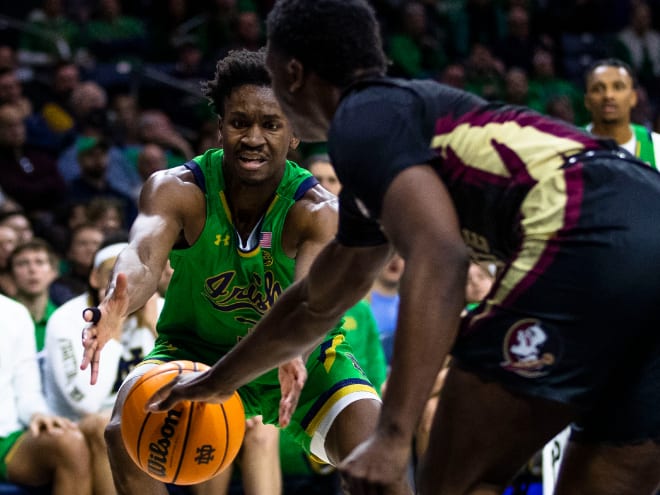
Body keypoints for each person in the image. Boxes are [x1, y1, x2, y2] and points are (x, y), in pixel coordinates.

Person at [140, 1, 660, 494]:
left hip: (589, 231)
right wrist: (217, 382)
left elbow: (440, 256)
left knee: (452, 481)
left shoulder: (364, 118)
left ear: (292, 74)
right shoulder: (403, 129)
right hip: (642, 213)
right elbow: (314, 302)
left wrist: (392, 433)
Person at [81, 48, 405, 495]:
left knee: (379, 465)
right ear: (220, 127)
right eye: (240, 123)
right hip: (193, 353)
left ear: (294, 134)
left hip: (294, 359)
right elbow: (142, 256)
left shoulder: (317, 211)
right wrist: (117, 304)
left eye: (270, 124)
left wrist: (296, 346)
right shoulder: (178, 189)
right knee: (123, 432)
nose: (254, 137)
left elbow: (312, 297)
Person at [44, 240, 159, 495]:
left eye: (134, 275)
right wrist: (113, 330)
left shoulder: (158, 310)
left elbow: (186, 379)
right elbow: (86, 403)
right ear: (95, 278)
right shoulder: (67, 319)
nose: (124, 284)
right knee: (107, 424)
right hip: (78, 423)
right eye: (113, 274)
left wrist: (154, 328)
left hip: (147, 416)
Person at [0, 292, 92, 495]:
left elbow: (27, 390)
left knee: (70, 443)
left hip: (5, 437)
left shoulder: (15, 313)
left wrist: (38, 414)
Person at [583, 58, 660, 169]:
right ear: (587, 100)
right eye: (598, 89)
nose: (608, 95)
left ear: (633, 97)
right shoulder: (569, 146)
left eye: (618, 87)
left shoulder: (657, 146)